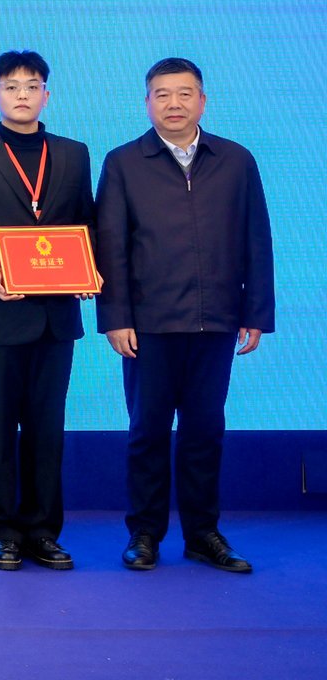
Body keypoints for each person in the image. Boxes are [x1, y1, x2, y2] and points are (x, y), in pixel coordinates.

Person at [96, 58, 273, 573]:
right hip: (148, 325)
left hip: (217, 320)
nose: (174, 104)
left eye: (184, 93)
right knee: (146, 432)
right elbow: (111, 246)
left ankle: (203, 534)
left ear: (202, 100)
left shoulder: (236, 160)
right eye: (162, 94)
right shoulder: (124, 162)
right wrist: (115, 317)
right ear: (147, 102)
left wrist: (256, 312)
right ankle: (145, 533)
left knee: (205, 432)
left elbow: (256, 238)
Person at [0, 50, 95, 572]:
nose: (22, 94)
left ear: (46, 95)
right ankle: (3, 531)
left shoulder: (73, 155)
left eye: (32, 86)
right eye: (11, 86)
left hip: (56, 318)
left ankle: (43, 532)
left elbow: (86, 225)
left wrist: (87, 269)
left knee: (48, 431)